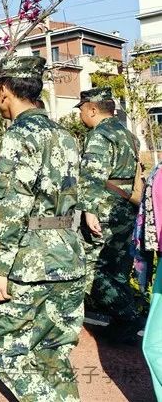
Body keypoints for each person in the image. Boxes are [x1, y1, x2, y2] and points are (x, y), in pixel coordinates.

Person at [0, 56, 85, 402]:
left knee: (10, 355)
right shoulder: (66, 136)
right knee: (54, 356)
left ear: (4, 90)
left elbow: (14, 205)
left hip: (31, 264)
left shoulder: (18, 136)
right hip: (69, 257)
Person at [76, 86, 142, 343]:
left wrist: (89, 210)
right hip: (125, 209)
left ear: (93, 109)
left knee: (91, 269)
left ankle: (127, 316)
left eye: (82, 109)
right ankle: (121, 325)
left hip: (103, 210)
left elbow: (92, 175)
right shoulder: (128, 135)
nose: (81, 115)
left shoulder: (99, 135)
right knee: (117, 268)